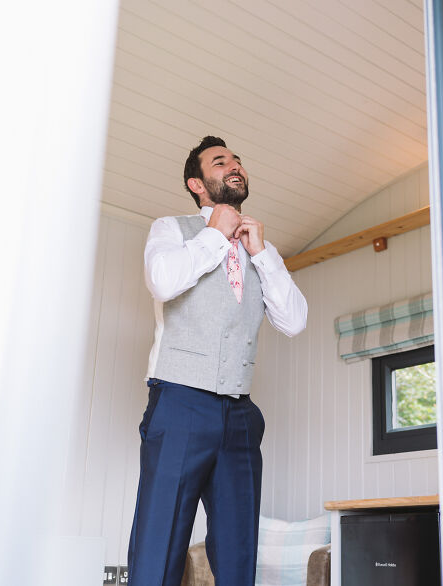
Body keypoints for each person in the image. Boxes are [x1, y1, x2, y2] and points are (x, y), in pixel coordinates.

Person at [127, 136, 307, 586]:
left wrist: (261, 253)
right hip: (180, 402)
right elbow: (163, 282)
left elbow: (294, 321)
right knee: (159, 541)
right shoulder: (172, 228)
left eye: (239, 161)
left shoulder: (259, 249)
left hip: (240, 415)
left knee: (238, 548)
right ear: (197, 183)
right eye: (221, 161)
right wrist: (215, 233)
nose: (235, 166)